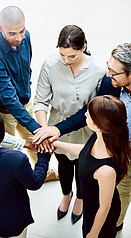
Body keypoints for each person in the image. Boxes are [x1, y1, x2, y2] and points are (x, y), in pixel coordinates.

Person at [33, 43, 131, 231]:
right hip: (107, 146)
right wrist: (56, 134)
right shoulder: (111, 83)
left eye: (113, 72)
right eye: (108, 68)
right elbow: (92, 113)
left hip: (126, 154)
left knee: (118, 198)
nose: (108, 75)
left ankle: (115, 227)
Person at [33, 25, 106, 223]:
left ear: (84, 47)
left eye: (72, 56)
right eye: (62, 54)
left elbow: (96, 109)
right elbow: (40, 101)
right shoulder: (50, 64)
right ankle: (66, 195)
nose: (66, 60)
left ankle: (80, 198)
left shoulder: (99, 70)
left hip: (86, 130)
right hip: (57, 128)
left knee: (83, 167)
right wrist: (46, 130)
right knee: (64, 165)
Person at [0, 6, 58, 181]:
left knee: (37, 142)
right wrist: (38, 128)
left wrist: (36, 130)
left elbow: (26, 69)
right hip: (5, 112)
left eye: (21, 31)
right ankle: (12, 184)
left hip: (25, 102)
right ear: (0, 29)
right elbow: (9, 99)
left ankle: (44, 173)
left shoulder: (26, 37)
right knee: (8, 153)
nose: (19, 38)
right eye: (12, 33)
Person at [53, 95, 130, 238]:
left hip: (100, 214)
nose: (85, 114)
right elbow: (86, 151)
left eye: (89, 113)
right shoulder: (99, 136)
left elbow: (105, 208)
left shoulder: (106, 171)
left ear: (100, 125)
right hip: (91, 205)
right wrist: (55, 144)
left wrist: (93, 234)